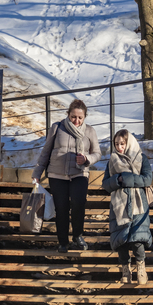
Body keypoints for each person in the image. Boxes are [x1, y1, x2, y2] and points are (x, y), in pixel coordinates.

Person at [32, 99, 101, 253]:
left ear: (84, 117)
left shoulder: (89, 131)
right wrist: (37, 173)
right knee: (61, 208)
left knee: (79, 202)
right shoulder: (57, 127)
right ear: (68, 115)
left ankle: (77, 235)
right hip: (57, 175)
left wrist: (86, 159)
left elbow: (97, 153)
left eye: (80, 118)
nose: (76, 120)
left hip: (80, 173)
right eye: (73, 117)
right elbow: (46, 151)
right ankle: (63, 242)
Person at [101, 130, 153, 284]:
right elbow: (105, 183)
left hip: (138, 204)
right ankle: (126, 270)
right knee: (121, 240)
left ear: (128, 142)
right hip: (119, 205)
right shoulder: (112, 161)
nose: (119, 147)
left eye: (122, 144)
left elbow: (147, 179)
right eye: (116, 144)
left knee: (137, 239)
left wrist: (127, 179)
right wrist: (117, 179)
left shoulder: (141, 158)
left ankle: (141, 267)